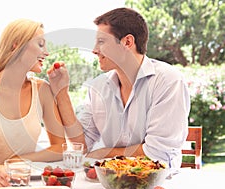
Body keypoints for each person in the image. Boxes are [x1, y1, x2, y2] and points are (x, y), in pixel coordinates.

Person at [47, 7, 190, 169]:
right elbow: (82, 144)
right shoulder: (98, 87)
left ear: (127, 42)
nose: (94, 50)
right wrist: (61, 93)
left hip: (158, 185)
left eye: (101, 41)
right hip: (111, 181)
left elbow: (156, 153)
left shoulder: (168, 81)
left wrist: (100, 154)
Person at [0, 18, 66, 187]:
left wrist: (21, 159)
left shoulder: (42, 90)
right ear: (16, 45)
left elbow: (60, 147)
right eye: (40, 44)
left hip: (17, 185)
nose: (47, 52)